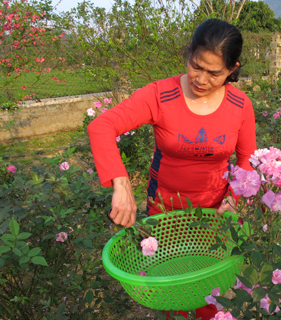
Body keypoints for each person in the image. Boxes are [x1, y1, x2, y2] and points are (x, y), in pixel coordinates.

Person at [87, 19, 256, 319]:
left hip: (215, 214)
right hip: (165, 213)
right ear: (189, 54)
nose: (201, 78)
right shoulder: (160, 95)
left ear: (232, 69)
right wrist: (121, 183)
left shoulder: (240, 105)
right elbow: (102, 126)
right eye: (196, 65)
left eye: (214, 73)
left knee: (209, 287)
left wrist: (233, 200)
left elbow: (247, 160)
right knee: (173, 285)